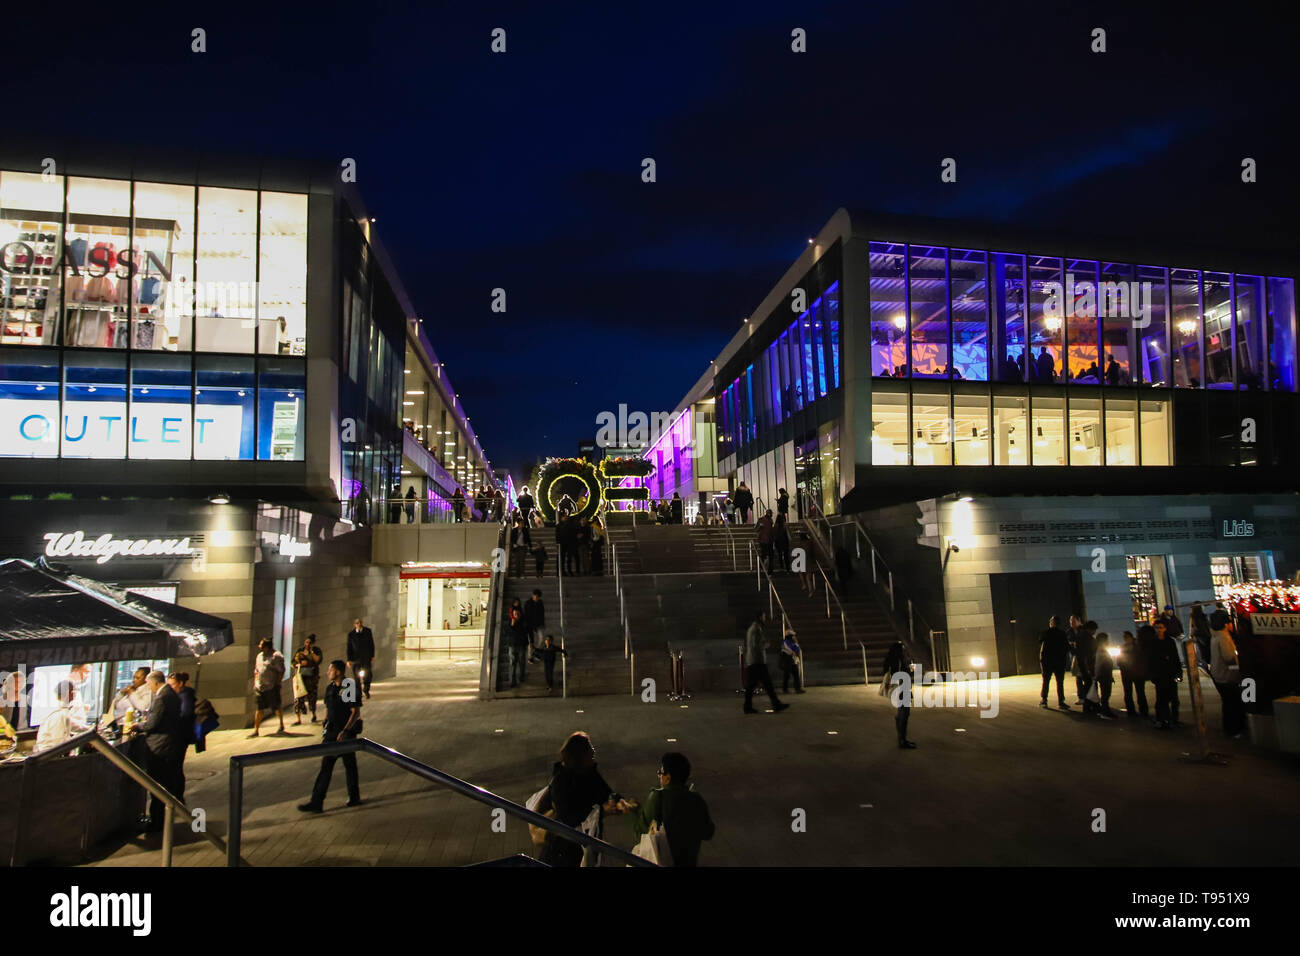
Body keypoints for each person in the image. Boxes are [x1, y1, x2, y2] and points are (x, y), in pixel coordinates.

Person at [536, 732, 634, 867]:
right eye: (589, 748)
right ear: (579, 755)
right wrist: (601, 811)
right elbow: (568, 817)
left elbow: (606, 793)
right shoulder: (562, 780)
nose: (593, 750)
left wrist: (618, 801)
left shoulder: (589, 773)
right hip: (564, 847)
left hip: (586, 843)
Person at [298, 661, 362, 813]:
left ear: (338, 671)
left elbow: (355, 711)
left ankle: (354, 797)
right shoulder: (330, 688)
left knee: (349, 765)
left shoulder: (348, 686)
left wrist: (345, 730)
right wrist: (325, 722)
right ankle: (317, 802)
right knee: (326, 767)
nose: (328, 672)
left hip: (345, 733)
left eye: (330, 669)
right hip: (332, 732)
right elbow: (328, 707)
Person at [631, 752, 716, 867]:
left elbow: (641, 833)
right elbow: (708, 832)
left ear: (668, 777)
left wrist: (635, 812)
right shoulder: (696, 799)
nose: (659, 776)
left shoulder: (658, 797)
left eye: (660, 772)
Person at [134, 671, 186, 830]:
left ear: (156, 683)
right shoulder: (171, 694)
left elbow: (152, 724)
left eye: (149, 684)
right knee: (164, 783)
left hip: (159, 747)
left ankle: (156, 822)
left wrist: (137, 726)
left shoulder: (161, 698)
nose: (148, 688)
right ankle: (160, 820)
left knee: (157, 784)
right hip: (169, 744)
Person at [1208, 609, 1245, 738]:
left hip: (1218, 674)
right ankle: (1234, 729)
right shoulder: (1224, 637)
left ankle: (1229, 728)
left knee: (1228, 702)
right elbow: (1229, 657)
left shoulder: (1215, 635)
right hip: (1226, 675)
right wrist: (1237, 671)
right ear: (1225, 624)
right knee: (1233, 703)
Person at [742, 610, 788, 714]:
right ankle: (775, 704)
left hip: (754, 661)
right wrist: (765, 646)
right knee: (765, 684)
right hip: (757, 661)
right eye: (764, 616)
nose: (765, 618)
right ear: (759, 617)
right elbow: (755, 645)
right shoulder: (755, 629)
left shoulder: (754, 628)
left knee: (753, 685)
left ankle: (748, 706)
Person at [34, 680, 88, 754]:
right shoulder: (58, 714)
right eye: (74, 691)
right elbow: (59, 744)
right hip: (49, 757)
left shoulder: (63, 710)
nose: (75, 694)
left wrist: (91, 729)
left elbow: (75, 725)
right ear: (68, 693)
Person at [1146, 621, 1182, 729]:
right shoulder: (1152, 642)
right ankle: (1163, 719)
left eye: (1160, 628)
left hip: (1170, 673)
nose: (1159, 630)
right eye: (1157, 628)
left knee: (1174, 698)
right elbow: (1150, 659)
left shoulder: (1170, 641)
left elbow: (1175, 657)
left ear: (1165, 629)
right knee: (1162, 698)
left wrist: (1178, 672)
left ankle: (1173, 718)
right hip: (1160, 674)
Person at [166, 672, 196, 800]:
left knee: (176, 768)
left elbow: (184, 715)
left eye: (172, 685)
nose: (170, 688)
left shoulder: (185, 697)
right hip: (180, 737)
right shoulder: (183, 695)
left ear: (180, 683)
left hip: (180, 738)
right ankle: (177, 797)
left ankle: (177, 798)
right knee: (176, 768)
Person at [882, 640, 916, 748]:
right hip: (902, 688)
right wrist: (910, 670)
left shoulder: (890, 659)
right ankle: (902, 740)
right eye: (903, 648)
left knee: (901, 712)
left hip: (896, 689)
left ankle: (901, 739)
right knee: (904, 713)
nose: (904, 650)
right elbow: (903, 673)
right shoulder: (899, 661)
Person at [251, 638, 286, 736]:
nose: (259, 646)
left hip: (271, 686)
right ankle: (256, 730)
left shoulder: (276, 656)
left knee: (275, 706)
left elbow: (281, 671)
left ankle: (281, 723)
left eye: (261, 644)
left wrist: (277, 683)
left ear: (266, 646)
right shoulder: (259, 656)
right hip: (260, 687)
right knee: (259, 708)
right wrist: (256, 683)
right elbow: (256, 671)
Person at [1039, 616, 1070, 710]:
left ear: (1051, 623)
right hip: (1059, 661)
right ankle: (1061, 701)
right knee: (1060, 682)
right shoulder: (1062, 633)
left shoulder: (1045, 633)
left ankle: (1044, 700)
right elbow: (1066, 647)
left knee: (1046, 681)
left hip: (1047, 661)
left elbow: (1040, 642)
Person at [293, 634, 323, 724]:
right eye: (306, 642)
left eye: (309, 643)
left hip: (312, 678)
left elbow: (318, 660)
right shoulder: (300, 651)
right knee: (298, 697)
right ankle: (298, 718)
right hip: (301, 678)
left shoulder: (316, 650)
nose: (307, 644)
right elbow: (293, 662)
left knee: (312, 697)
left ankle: (313, 714)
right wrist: (300, 663)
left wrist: (311, 652)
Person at [1117, 630, 1148, 718]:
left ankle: (1135, 711)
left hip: (1131, 673)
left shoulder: (1133, 647)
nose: (1126, 639)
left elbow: (1119, 661)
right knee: (1136, 692)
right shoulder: (1135, 646)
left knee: (1134, 692)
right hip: (1132, 673)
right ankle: (1139, 711)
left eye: (1126, 638)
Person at [347, 617, 375, 700]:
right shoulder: (351, 634)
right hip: (356, 659)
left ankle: (366, 689)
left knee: (368, 675)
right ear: (355, 625)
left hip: (366, 658)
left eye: (360, 623)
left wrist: (372, 655)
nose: (359, 624)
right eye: (357, 623)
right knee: (356, 677)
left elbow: (371, 644)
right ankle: (358, 692)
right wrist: (349, 660)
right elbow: (349, 648)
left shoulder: (367, 631)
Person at [1092, 633, 1115, 718]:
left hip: (1103, 675)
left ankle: (1105, 710)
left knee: (1105, 694)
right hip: (1104, 676)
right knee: (1105, 694)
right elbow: (1100, 664)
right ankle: (1105, 711)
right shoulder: (1101, 651)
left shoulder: (1100, 650)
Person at [508, 598, 529, 687]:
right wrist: (512, 625)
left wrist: (529, 642)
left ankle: (521, 677)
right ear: (512, 615)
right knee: (513, 663)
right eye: (514, 614)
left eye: (517, 614)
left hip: (522, 645)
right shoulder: (510, 623)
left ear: (520, 614)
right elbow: (506, 633)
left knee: (521, 662)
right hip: (512, 645)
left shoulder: (523, 622)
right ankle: (512, 681)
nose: (516, 615)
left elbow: (527, 631)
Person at [1189, 605, 1212, 675]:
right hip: (1204, 637)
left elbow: (1192, 627)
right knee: (1207, 654)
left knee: (1203, 655)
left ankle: (1208, 668)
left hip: (1200, 637)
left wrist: (1192, 635)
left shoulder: (1193, 617)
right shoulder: (1201, 617)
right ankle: (1209, 669)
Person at [524, 589, 546, 660]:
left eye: (538, 597)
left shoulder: (540, 603)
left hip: (539, 624)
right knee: (531, 642)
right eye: (535, 596)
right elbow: (526, 615)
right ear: (533, 595)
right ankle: (530, 657)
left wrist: (542, 623)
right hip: (530, 625)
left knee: (542, 638)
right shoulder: (527, 603)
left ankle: (536, 652)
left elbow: (542, 614)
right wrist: (526, 626)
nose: (536, 598)